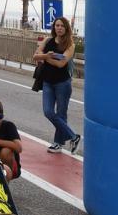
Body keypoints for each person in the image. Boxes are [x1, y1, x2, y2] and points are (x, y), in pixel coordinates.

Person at [33, 15, 81, 153]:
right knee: (48, 111)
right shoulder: (48, 40)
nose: (59, 28)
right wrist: (45, 55)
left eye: (62, 26)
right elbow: (35, 55)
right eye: (57, 25)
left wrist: (46, 57)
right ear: (54, 27)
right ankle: (73, 136)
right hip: (47, 82)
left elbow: (61, 63)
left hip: (63, 83)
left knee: (61, 114)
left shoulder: (70, 44)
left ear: (66, 28)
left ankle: (58, 143)